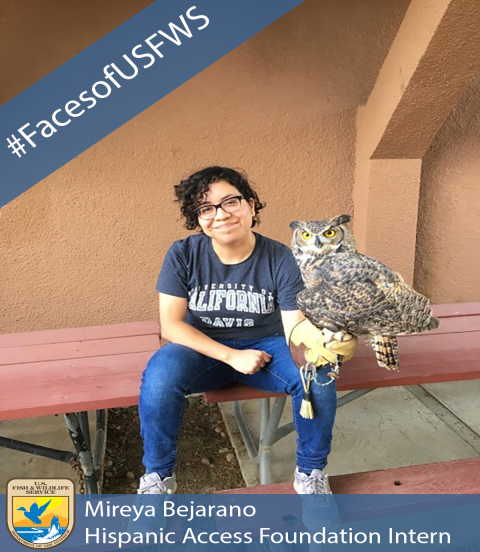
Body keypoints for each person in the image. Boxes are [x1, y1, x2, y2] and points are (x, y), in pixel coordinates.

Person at [138, 166, 356, 495]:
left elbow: (294, 330)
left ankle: (310, 475)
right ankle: (158, 480)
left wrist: (325, 338)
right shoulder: (183, 254)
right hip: (202, 349)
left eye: (231, 202)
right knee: (159, 377)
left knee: (316, 374)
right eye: (206, 208)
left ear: (251, 205)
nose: (220, 215)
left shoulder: (280, 257)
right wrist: (232, 356)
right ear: (197, 218)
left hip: (268, 348)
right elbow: (171, 325)